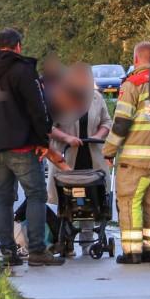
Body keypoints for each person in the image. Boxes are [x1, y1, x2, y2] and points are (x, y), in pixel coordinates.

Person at [0, 28, 64, 266]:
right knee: (36, 194)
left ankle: (8, 252)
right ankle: (36, 250)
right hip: (21, 145)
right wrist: (43, 141)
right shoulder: (22, 70)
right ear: (18, 46)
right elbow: (37, 108)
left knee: (1, 198)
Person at [103, 41, 150, 264]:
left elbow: (121, 122)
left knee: (130, 202)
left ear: (135, 60)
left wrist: (109, 151)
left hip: (136, 159)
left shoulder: (133, 84)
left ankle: (132, 252)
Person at [47, 62, 112, 206]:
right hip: (67, 157)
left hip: (93, 158)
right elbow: (47, 126)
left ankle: (91, 226)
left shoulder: (96, 98)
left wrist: (98, 136)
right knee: (66, 202)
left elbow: (107, 121)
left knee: (94, 202)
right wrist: (66, 138)